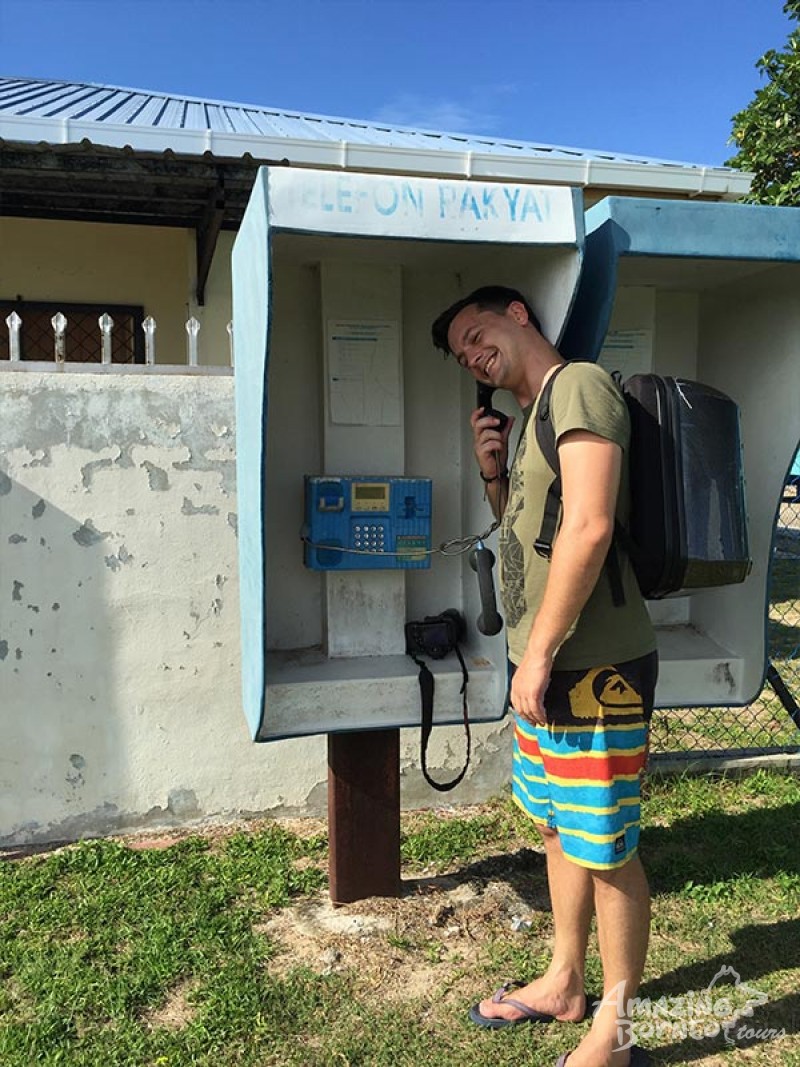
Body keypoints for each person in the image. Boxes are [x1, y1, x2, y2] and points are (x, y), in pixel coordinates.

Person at [431, 286, 658, 1067]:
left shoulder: (581, 386)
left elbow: (591, 523)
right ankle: (565, 979)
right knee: (560, 827)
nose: (470, 354)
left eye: (475, 332)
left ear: (519, 315)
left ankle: (617, 1029)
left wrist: (538, 652)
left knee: (606, 844)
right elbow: (530, 538)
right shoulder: (532, 419)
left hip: (595, 668)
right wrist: (494, 474)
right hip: (549, 666)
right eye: (462, 353)